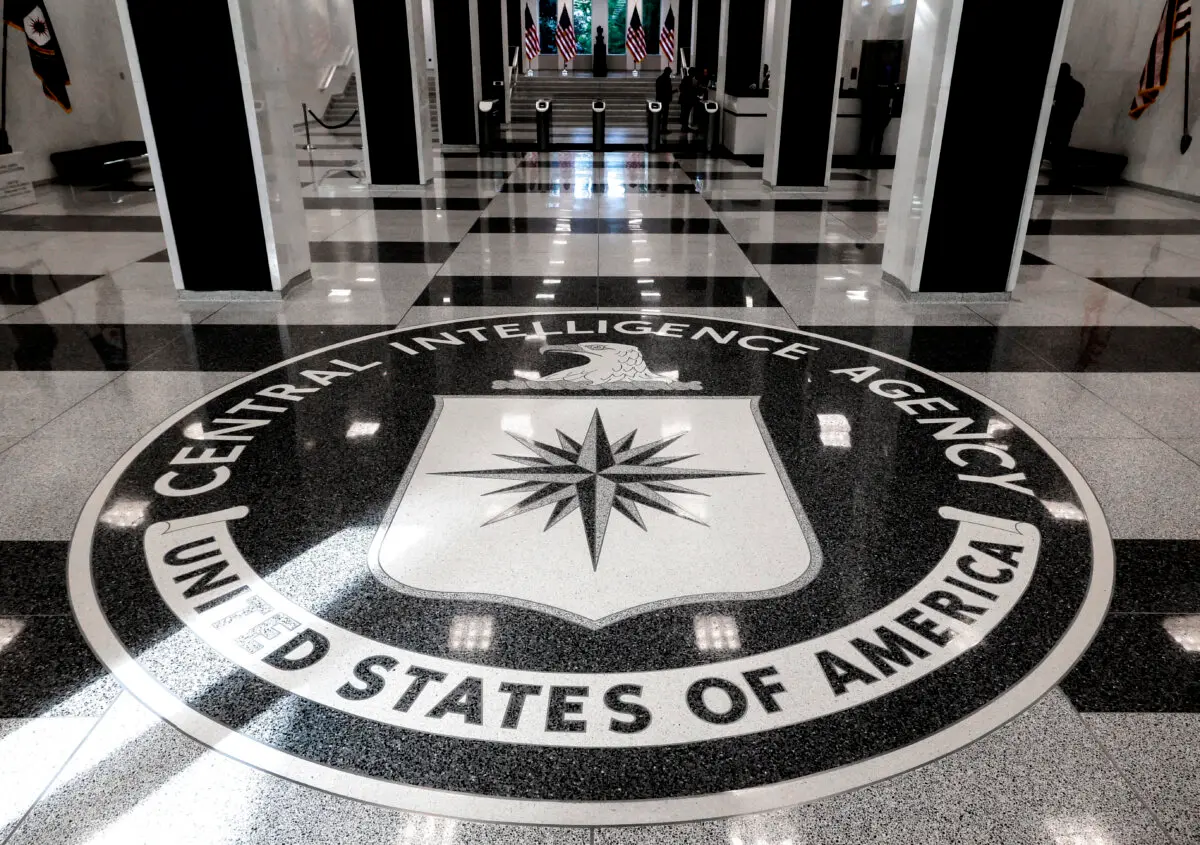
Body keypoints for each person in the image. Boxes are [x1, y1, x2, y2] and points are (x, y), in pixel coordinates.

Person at [1046, 63, 1085, 175]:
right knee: (1061, 146)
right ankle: (1057, 171)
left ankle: (1055, 169)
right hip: (1068, 122)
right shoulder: (1078, 87)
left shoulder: (1060, 85)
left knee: (1050, 145)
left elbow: (1051, 101)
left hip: (1056, 120)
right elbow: (1079, 106)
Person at [679, 69, 699, 137]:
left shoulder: (685, 79)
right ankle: (685, 127)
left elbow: (681, 88)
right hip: (688, 100)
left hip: (684, 99)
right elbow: (694, 90)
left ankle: (684, 126)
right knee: (686, 113)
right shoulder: (693, 81)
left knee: (684, 113)